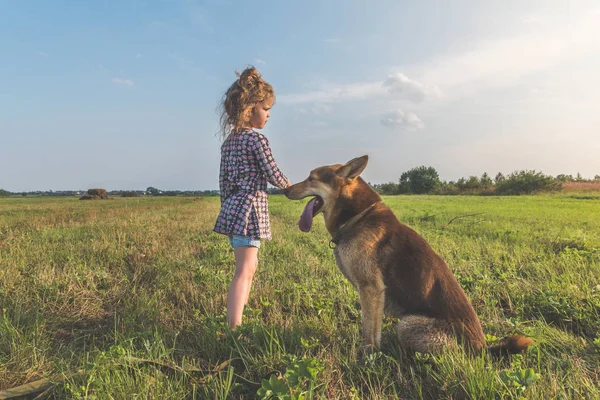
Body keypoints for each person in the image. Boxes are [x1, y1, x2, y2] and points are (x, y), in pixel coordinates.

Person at [213, 66, 291, 329]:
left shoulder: (229, 143)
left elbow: (223, 181)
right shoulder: (256, 140)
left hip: (234, 209)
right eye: (266, 109)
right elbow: (272, 172)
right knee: (244, 273)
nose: (268, 115)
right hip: (249, 211)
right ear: (250, 109)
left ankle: (240, 319)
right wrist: (288, 186)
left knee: (249, 268)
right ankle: (234, 329)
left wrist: (228, 210)